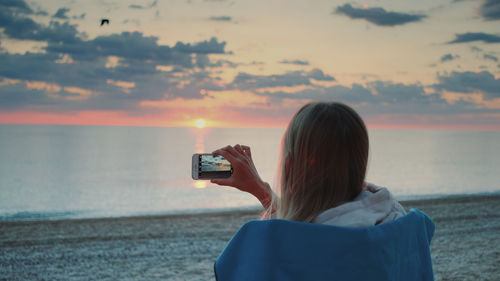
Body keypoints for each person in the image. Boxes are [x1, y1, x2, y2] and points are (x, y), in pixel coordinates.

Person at [211, 101, 406, 226]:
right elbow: (306, 222)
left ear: (289, 164)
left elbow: (292, 233)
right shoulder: (396, 218)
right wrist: (261, 190)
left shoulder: (282, 245)